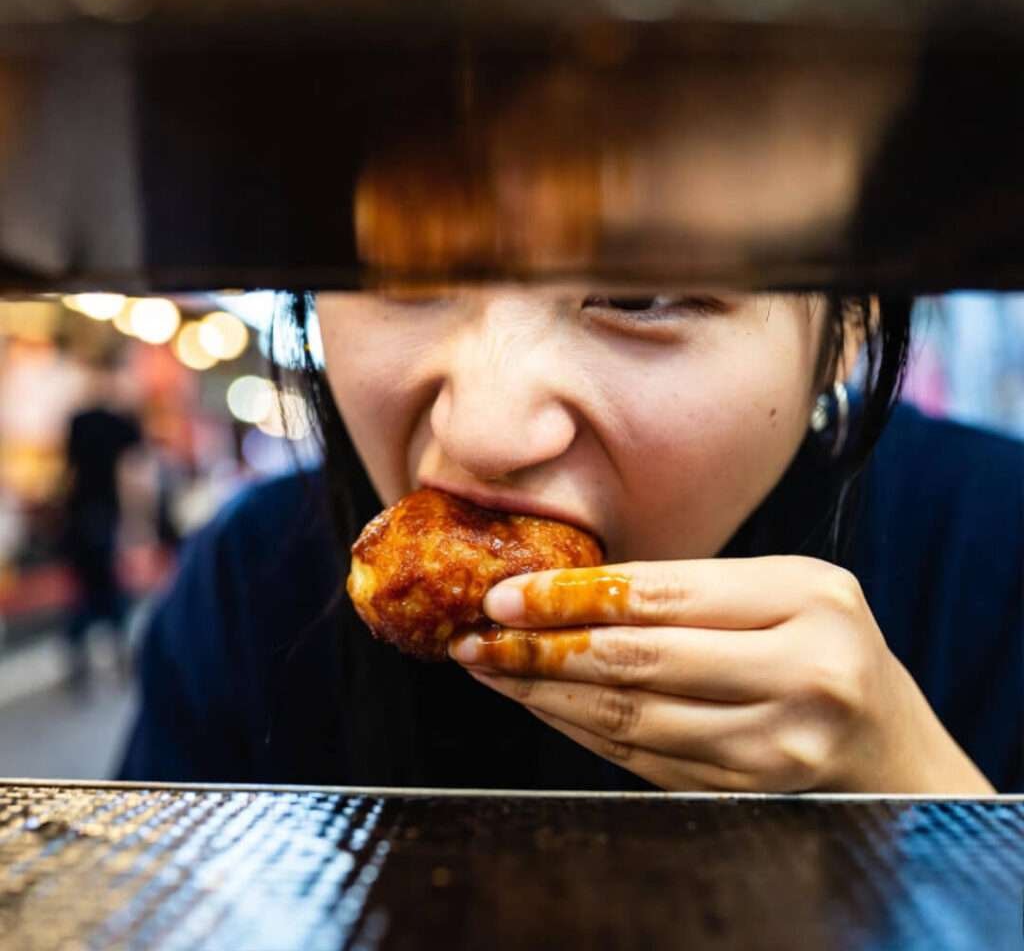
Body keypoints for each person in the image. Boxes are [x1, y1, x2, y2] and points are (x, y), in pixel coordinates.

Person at [116, 284, 1022, 793]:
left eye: (644, 291)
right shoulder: (250, 583)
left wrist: (933, 818)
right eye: (400, 268)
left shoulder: (996, 545)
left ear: (854, 320)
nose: (485, 432)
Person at [62, 354, 142, 687]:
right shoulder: (113, 421)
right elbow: (132, 473)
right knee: (105, 585)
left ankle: (86, 658)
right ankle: (118, 655)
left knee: (89, 587)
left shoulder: (82, 419)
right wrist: (137, 521)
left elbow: (69, 470)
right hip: (100, 512)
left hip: (82, 512)